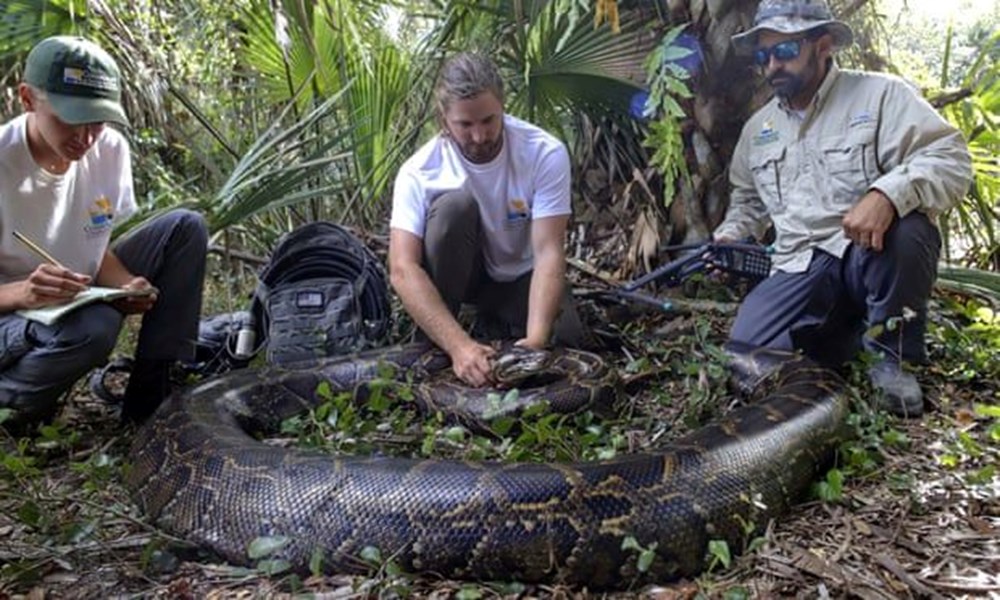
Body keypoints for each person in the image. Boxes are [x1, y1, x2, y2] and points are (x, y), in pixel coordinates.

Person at [716, 0, 972, 417]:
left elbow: (950, 157)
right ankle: (843, 342)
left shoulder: (881, 94)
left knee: (910, 230)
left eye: (784, 52)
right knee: (743, 354)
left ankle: (893, 358)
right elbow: (747, 200)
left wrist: (888, 194)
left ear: (824, 45)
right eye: (763, 56)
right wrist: (730, 234)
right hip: (799, 265)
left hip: (865, 252)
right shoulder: (757, 129)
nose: (772, 67)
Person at [0, 36, 208, 430]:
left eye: (96, 120)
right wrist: (22, 292)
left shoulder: (109, 149)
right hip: (11, 316)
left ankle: (151, 400)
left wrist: (128, 284)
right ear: (27, 99)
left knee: (185, 227)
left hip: (71, 294)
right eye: (69, 118)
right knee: (95, 326)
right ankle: (13, 405)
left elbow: (94, 246)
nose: (85, 137)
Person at [389, 52, 584, 387]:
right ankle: (443, 335)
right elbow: (403, 268)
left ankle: (498, 324)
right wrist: (458, 346)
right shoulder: (418, 172)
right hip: (464, 280)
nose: (479, 136)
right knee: (453, 209)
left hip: (520, 276)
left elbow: (549, 252)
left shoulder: (544, 152)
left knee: (567, 342)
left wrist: (534, 345)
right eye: (465, 125)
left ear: (503, 106)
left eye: (489, 121)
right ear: (443, 119)